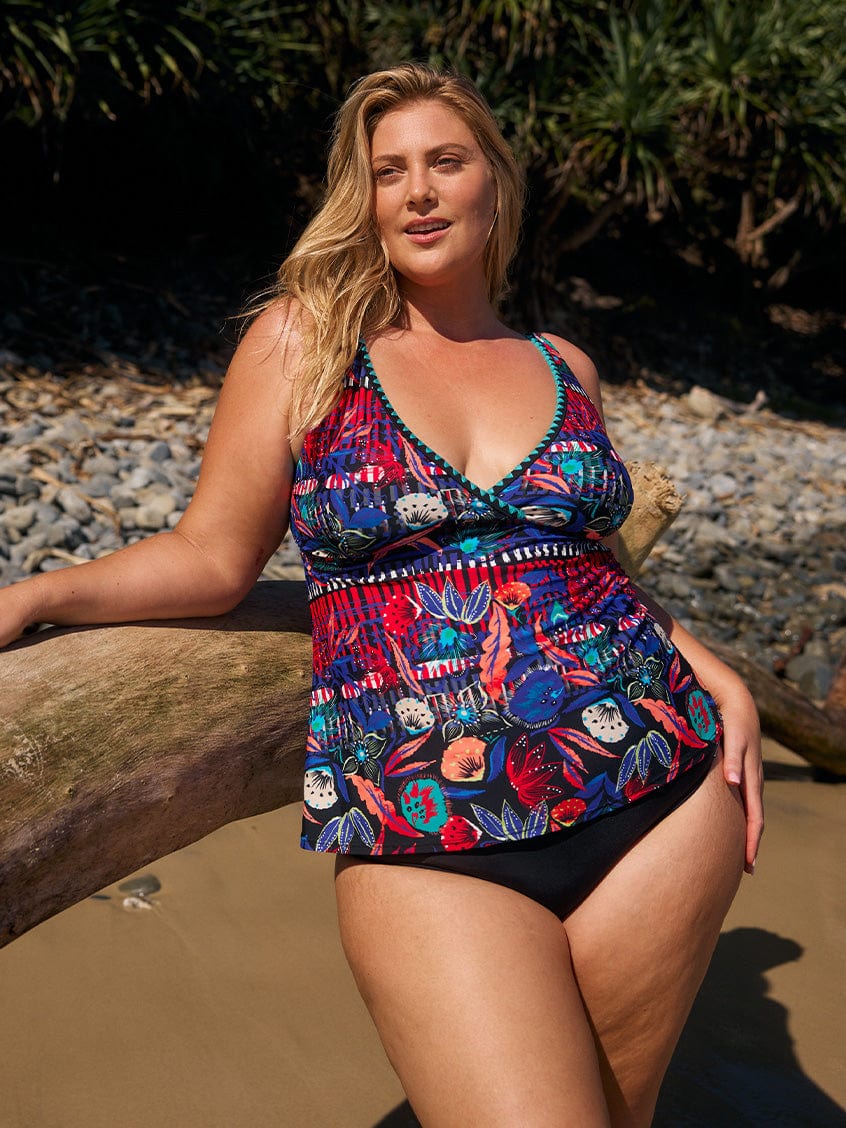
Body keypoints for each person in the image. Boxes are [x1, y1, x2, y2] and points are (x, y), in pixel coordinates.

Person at [1, 64, 762, 1127]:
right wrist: (33, 594)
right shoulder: (305, 345)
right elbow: (212, 557)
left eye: (445, 162)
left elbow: (584, 566)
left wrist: (711, 667)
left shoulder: (564, 365)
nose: (418, 192)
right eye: (388, 172)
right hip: (420, 831)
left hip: (660, 794)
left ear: (495, 181)